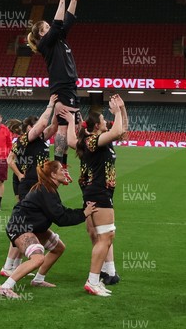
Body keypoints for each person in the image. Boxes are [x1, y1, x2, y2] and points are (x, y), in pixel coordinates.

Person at [0, 160, 97, 299]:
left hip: (33, 227)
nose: (65, 172)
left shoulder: (48, 188)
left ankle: (38, 280)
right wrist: (84, 213)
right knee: (38, 258)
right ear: (53, 175)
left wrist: (82, 212)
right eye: (61, 170)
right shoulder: (45, 190)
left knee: (58, 248)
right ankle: (5, 287)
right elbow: (60, 218)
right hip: (20, 226)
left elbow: (61, 211)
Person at [65, 94, 127, 296]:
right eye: (103, 121)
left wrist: (122, 109)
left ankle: (104, 274)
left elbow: (121, 130)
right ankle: (93, 280)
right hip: (100, 192)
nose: (106, 122)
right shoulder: (93, 141)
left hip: (94, 191)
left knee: (99, 235)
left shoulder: (92, 141)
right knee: (106, 236)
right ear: (95, 126)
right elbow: (117, 129)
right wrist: (117, 112)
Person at [27, 0, 84, 184]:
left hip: (69, 86)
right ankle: (60, 168)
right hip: (63, 87)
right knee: (63, 129)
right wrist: (61, 0)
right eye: (47, 28)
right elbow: (59, 23)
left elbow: (66, 22)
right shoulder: (46, 44)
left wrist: (73, 1)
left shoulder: (59, 39)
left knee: (69, 127)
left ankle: (35, 146)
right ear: (42, 34)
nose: (51, 29)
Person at [0, 98, 58, 278]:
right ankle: (9, 266)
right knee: (24, 226)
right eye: (36, 127)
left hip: (37, 185)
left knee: (27, 225)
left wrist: (60, 109)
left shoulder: (40, 139)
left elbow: (53, 126)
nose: (41, 129)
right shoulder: (27, 138)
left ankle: (12, 265)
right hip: (29, 185)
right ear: (29, 129)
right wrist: (50, 104)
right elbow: (42, 123)